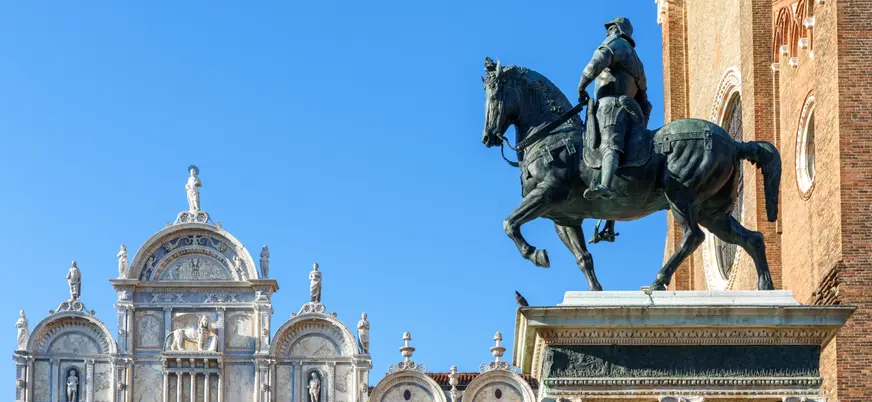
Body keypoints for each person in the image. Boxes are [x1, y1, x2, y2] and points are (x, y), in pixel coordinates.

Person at [577, 17, 652, 201]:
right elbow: (646, 103)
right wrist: (642, 125)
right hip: (631, 111)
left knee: (609, 144)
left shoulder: (616, 44)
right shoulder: (638, 63)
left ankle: (605, 185)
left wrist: (581, 86)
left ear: (617, 30)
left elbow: (597, 62)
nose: (607, 33)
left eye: (610, 29)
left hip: (610, 105)